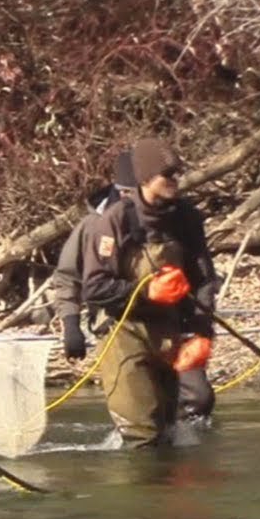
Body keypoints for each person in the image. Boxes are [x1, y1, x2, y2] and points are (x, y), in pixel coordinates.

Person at [53, 149, 216, 423]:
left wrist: (201, 331)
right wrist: (71, 324)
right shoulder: (99, 224)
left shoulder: (179, 218)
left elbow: (203, 278)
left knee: (198, 398)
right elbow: (70, 277)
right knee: (141, 420)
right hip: (119, 322)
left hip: (172, 325)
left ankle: (184, 436)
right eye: (125, 192)